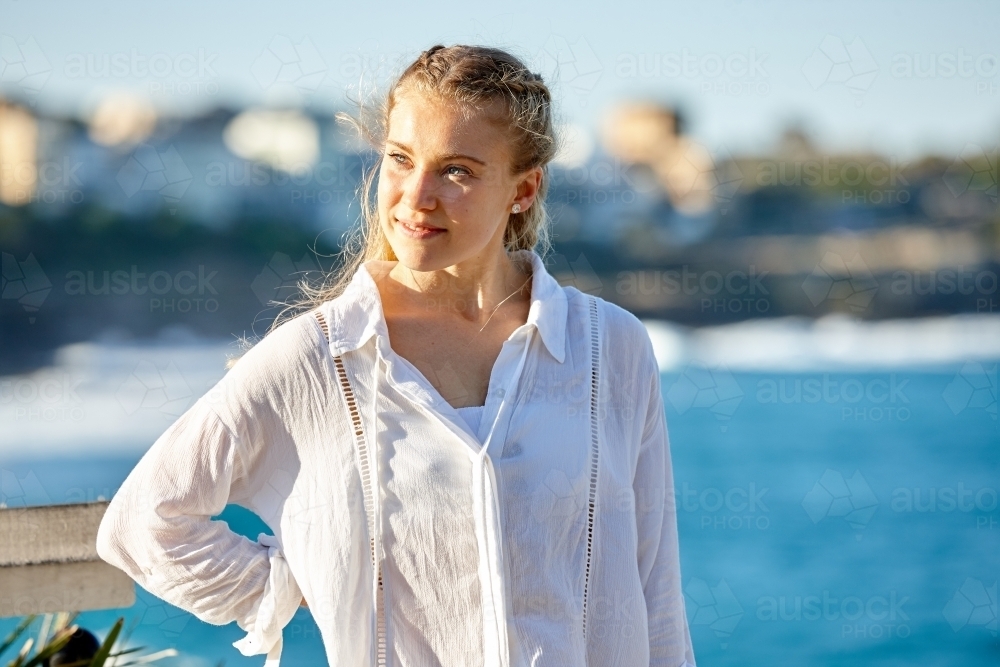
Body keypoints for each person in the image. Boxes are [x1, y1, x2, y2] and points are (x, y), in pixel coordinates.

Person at [96, 44, 696, 667]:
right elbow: (146, 523)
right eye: (400, 160)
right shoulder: (316, 359)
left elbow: (654, 593)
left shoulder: (611, 348)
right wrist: (304, 586)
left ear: (524, 189)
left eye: (457, 171)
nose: (416, 196)